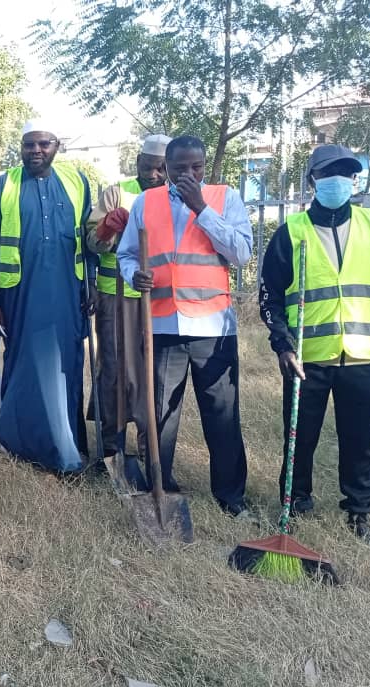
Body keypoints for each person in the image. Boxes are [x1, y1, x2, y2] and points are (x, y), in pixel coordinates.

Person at [259, 144, 370, 548]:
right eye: (329, 173)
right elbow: (269, 297)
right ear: (313, 182)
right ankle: (295, 502)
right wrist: (283, 344)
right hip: (307, 359)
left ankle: (359, 512)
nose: (338, 180)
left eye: (346, 173)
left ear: (354, 181)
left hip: (363, 357)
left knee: (360, 440)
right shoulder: (292, 233)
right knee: (299, 437)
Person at [117, 135, 253, 519]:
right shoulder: (147, 202)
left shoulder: (225, 198)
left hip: (213, 327)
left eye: (196, 168)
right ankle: (160, 484)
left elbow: (241, 253)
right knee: (160, 414)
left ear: (205, 167)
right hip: (162, 324)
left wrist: (201, 209)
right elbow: (127, 254)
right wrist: (134, 275)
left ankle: (230, 496)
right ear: (168, 168)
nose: (188, 175)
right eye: (180, 169)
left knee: (222, 415)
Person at [0, 119, 93, 472]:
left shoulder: (76, 182)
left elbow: (87, 240)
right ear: (21, 147)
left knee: (66, 369)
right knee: (26, 369)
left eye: (43, 144)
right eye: (29, 145)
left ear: (56, 145)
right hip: (20, 298)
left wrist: (90, 285)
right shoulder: (4, 186)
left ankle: (66, 449)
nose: (36, 151)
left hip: (67, 294)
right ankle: (25, 444)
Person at [86, 134, 170, 460]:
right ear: (137, 162)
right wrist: (107, 227)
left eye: (161, 169)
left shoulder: (174, 196)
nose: (153, 175)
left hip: (161, 301)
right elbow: (92, 243)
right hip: (116, 297)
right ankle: (112, 446)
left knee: (153, 374)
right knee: (115, 371)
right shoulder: (116, 192)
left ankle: (153, 448)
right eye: (148, 168)